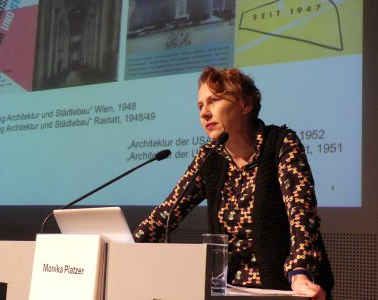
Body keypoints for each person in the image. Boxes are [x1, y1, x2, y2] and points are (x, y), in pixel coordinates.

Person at [133, 67, 334, 300]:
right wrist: (124, 246)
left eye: (214, 101)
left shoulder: (281, 144)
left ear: (245, 105)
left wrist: (300, 274)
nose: (204, 113)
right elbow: (167, 214)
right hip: (228, 291)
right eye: (200, 106)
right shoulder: (210, 156)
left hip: (283, 288)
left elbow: (302, 215)